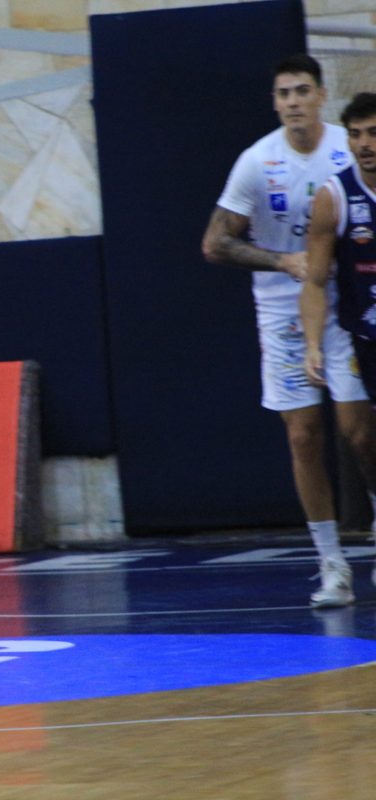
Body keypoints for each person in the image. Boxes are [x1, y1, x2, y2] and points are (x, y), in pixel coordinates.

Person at [201, 54, 376, 607]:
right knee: (302, 435)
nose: (294, 102)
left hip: (345, 304)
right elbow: (215, 243)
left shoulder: (348, 147)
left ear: (321, 95)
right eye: (284, 94)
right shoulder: (257, 162)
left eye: (302, 90)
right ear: (275, 103)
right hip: (282, 312)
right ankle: (332, 565)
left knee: (359, 432)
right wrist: (282, 261)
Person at [303, 93, 376, 584]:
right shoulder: (334, 197)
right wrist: (312, 343)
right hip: (357, 331)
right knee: (358, 435)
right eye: (355, 134)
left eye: (373, 133)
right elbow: (313, 281)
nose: (365, 143)